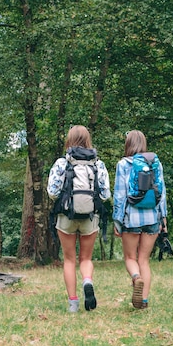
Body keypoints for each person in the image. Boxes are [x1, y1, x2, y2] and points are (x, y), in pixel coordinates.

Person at [47, 125, 111, 313]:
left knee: (69, 259)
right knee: (86, 258)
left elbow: (52, 192)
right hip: (90, 216)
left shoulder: (62, 163)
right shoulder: (97, 164)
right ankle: (87, 281)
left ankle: (73, 303)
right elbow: (106, 195)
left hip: (66, 215)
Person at [113, 130, 167, 309]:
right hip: (152, 216)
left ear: (128, 144)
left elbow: (120, 195)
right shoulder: (156, 164)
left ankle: (136, 278)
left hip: (131, 218)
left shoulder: (123, 164)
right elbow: (162, 194)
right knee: (144, 259)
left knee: (130, 257)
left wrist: (117, 221)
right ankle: (143, 302)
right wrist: (163, 219)